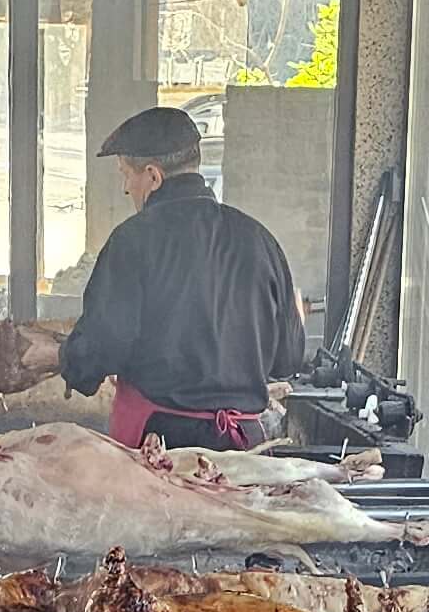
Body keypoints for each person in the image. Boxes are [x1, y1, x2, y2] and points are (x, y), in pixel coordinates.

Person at [56, 105, 305, 447]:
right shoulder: (260, 240)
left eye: (126, 174)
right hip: (245, 449)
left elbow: (104, 345)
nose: (125, 188)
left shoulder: (132, 241)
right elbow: (289, 357)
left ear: (153, 176)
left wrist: (70, 361)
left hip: (159, 448)